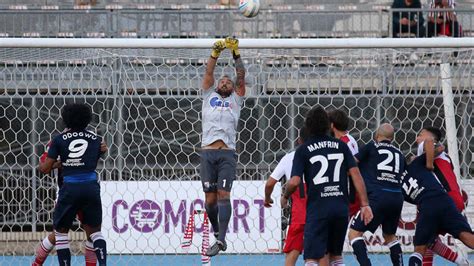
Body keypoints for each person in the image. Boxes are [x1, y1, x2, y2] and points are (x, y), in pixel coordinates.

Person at [282, 106, 373, 266]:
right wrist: (365, 204)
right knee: (336, 256)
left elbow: (295, 181)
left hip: (318, 209)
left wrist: (285, 195)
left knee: (312, 257)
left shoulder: (303, 150)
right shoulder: (341, 146)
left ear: (308, 127)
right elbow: (356, 175)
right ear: (327, 126)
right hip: (340, 207)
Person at [39, 103, 107, 266]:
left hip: (68, 189)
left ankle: (37, 262)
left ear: (65, 120)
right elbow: (96, 156)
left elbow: (44, 168)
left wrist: (59, 163)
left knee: (60, 234)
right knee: (95, 233)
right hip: (90, 186)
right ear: (88, 119)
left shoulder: (57, 140)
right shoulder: (96, 140)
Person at [200, 37, 246, 257]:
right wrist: (215, 53)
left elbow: (241, 76)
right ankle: (217, 232)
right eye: (223, 81)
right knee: (209, 200)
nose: (225, 82)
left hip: (227, 153)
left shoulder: (236, 100)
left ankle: (221, 239)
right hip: (207, 152)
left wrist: (236, 53)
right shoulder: (208, 95)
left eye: (228, 81)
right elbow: (209, 74)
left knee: (223, 195)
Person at [264, 127, 327, 266]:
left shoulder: (290, 157)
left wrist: (267, 198)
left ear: (299, 140)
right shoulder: (323, 155)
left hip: (299, 215)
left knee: (292, 252)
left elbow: (270, 184)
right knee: (322, 252)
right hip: (320, 211)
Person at [348, 123, 405, 266]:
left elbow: (352, 164)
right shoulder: (399, 153)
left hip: (377, 197)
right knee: (390, 236)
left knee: (354, 234)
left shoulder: (371, 146)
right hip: (397, 197)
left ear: (376, 135)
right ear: (392, 138)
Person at [402, 154, 474, 266]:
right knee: (462, 236)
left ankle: (459, 260)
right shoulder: (424, 162)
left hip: (429, 205)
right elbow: (434, 144)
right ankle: (461, 261)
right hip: (448, 199)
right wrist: (429, 163)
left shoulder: (399, 183)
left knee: (421, 247)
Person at [415, 126, 470, 265]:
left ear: (430, 137)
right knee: (431, 240)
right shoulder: (447, 158)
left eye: (421, 134)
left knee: (422, 241)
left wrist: (425, 162)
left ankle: (461, 261)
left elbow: (431, 144)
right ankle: (462, 261)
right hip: (455, 198)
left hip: (440, 199)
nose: (418, 137)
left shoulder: (425, 146)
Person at [328, 109, 360, 218]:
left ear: (332, 125)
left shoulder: (344, 142)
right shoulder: (348, 138)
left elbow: (353, 167)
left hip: (348, 193)